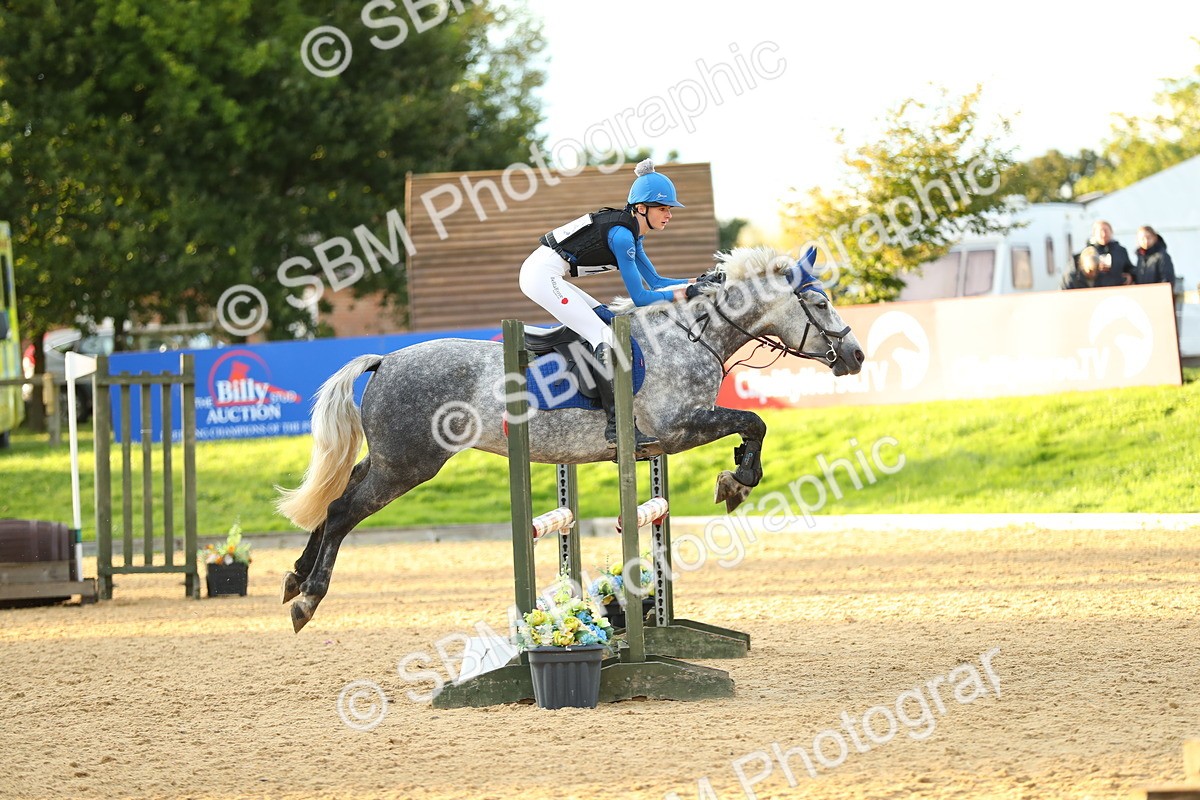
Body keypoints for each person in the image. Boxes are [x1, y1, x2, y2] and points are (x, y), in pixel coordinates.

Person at [518, 158, 696, 450]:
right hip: (539, 276)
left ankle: (565, 338)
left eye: (669, 209)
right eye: (663, 208)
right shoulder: (622, 236)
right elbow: (641, 298)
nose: (669, 215)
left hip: (549, 274)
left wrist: (695, 282)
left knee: (606, 317)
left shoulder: (632, 233)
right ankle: (618, 427)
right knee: (605, 338)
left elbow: (656, 282)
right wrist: (686, 294)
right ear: (641, 208)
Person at [1080, 220, 1134, 287]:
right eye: (1100, 231)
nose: (1103, 234)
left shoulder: (1120, 250)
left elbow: (1129, 268)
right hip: (1096, 289)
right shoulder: (1088, 252)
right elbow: (1080, 274)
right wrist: (1096, 268)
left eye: (1106, 230)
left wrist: (1130, 276)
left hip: (1118, 288)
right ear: (1094, 234)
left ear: (1111, 232)